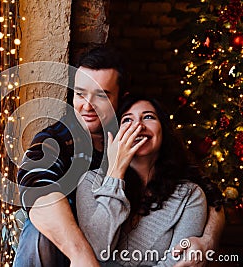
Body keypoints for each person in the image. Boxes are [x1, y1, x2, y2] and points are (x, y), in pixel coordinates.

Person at [13, 47, 225, 267]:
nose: (87, 106)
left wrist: (208, 241)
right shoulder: (55, 142)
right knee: (37, 232)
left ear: (120, 100)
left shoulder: (135, 136)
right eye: (80, 94)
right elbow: (38, 194)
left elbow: (208, 195)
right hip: (72, 256)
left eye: (101, 95)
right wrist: (82, 256)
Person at [77, 94, 224, 266]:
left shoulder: (189, 195)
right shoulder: (90, 182)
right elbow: (95, 250)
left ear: (164, 130)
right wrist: (115, 173)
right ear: (115, 135)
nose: (138, 126)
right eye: (127, 120)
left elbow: (178, 263)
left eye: (148, 117)